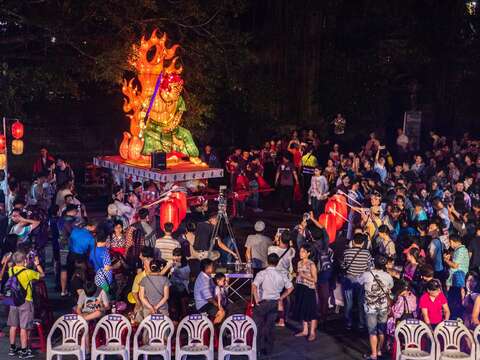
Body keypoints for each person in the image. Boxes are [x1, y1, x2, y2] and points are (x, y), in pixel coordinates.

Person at [252, 253, 293, 356]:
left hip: (263, 302)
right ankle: (268, 350)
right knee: (270, 327)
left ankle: (257, 350)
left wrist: (256, 299)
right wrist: (281, 297)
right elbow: (290, 288)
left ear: (267, 261)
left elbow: (254, 286)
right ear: (278, 262)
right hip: (274, 303)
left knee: (258, 326)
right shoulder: (281, 274)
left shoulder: (262, 273)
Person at [7, 251, 45, 359]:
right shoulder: (28, 272)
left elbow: (11, 265)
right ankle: (24, 350)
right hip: (25, 301)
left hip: (13, 301)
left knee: (13, 326)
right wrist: (37, 264)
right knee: (24, 327)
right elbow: (42, 275)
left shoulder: (11, 270)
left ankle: (12, 348)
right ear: (24, 261)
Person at [358, 255, 394, 360]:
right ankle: (379, 351)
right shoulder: (388, 276)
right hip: (383, 307)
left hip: (370, 307)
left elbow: (358, 281)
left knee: (372, 331)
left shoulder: (367, 274)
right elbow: (390, 286)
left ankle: (373, 354)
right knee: (381, 330)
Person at [341, 233, 372, 331]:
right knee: (361, 302)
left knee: (349, 303)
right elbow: (369, 267)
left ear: (353, 241)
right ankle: (361, 323)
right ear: (363, 243)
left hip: (349, 279)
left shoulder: (346, 252)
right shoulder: (367, 253)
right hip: (361, 280)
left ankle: (348, 323)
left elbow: (343, 266)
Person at [292, 244, 318, 341]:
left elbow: (315, 279)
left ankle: (312, 333)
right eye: (300, 251)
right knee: (303, 309)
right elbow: (299, 275)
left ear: (308, 253)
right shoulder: (299, 263)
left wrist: (304, 276)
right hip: (300, 287)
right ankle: (305, 330)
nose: (300, 253)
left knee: (311, 311)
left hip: (309, 289)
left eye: (303, 252)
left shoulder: (311, 264)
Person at [444, 234, 470, 319]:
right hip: (457, 280)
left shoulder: (460, 251)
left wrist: (446, 261)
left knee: (456, 301)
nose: (449, 244)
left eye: (449, 242)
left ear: (452, 241)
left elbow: (455, 265)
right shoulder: (459, 250)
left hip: (458, 280)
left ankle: (455, 318)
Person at [193, 259, 225, 324]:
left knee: (223, 308)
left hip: (206, 303)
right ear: (207, 268)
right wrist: (218, 306)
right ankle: (212, 329)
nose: (213, 267)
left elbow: (214, 287)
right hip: (203, 305)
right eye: (212, 266)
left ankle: (215, 329)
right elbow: (209, 298)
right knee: (222, 313)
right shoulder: (204, 279)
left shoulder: (207, 276)